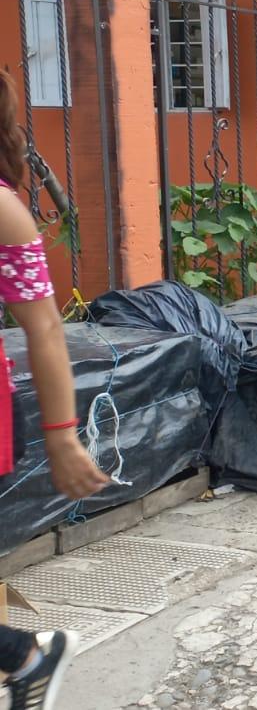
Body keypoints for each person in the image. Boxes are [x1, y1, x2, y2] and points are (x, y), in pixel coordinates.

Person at [0, 71, 109, 710]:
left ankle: (28, 658)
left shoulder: (6, 210)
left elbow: (44, 327)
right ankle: (24, 657)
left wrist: (64, 436)